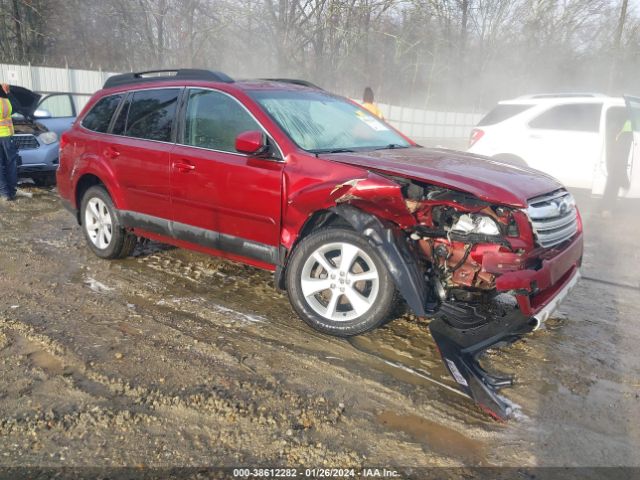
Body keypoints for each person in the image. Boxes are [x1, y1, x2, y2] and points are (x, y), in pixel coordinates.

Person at [601, 118, 632, 217]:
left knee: (615, 178)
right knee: (614, 179)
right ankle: (606, 208)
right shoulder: (621, 131)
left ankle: (606, 208)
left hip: (624, 138)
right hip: (622, 138)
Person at [0, 82, 19, 202]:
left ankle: (5, 193)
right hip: (7, 136)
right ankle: (12, 192)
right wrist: (7, 93)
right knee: (11, 164)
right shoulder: (6, 102)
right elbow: (15, 108)